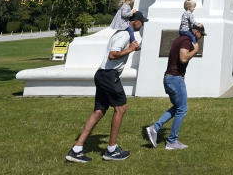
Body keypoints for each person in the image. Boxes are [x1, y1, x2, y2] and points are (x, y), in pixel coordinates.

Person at [66, 11, 147, 163]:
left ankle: (76, 149)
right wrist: (130, 49)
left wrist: (132, 48)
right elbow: (112, 54)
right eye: (142, 22)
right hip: (109, 75)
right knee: (121, 108)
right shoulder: (123, 35)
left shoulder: (122, 33)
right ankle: (112, 149)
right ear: (136, 22)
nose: (142, 25)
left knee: (98, 111)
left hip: (103, 74)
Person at [145, 23, 205, 150]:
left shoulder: (180, 39)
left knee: (177, 107)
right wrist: (195, 50)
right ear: (195, 31)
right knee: (182, 109)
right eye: (200, 35)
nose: (200, 38)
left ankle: (154, 128)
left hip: (169, 78)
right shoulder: (187, 40)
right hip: (175, 78)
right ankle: (171, 141)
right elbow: (183, 58)